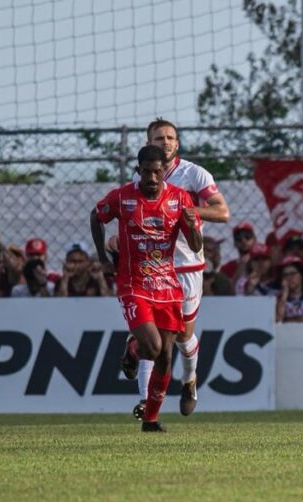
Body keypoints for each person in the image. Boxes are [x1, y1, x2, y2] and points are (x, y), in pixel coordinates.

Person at [120, 118, 231, 421]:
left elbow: (222, 211)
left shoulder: (193, 174)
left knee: (182, 335)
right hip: (150, 266)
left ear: (177, 144)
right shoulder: (141, 177)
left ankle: (190, 381)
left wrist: (188, 210)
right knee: (151, 338)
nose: (165, 142)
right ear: (148, 144)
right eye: (158, 138)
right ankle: (145, 402)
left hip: (186, 265)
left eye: (170, 137)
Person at [91, 144, 202, 432]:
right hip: (134, 283)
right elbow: (96, 216)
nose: (152, 178)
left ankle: (150, 420)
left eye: (157, 171)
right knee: (151, 348)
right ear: (138, 171)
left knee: (166, 355)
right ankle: (133, 348)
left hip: (167, 285)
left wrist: (192, 227)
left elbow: (196, 246)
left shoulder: (181, 199)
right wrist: (103, 259)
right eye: (146, 172)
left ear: (165, 171)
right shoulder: (123, 197)